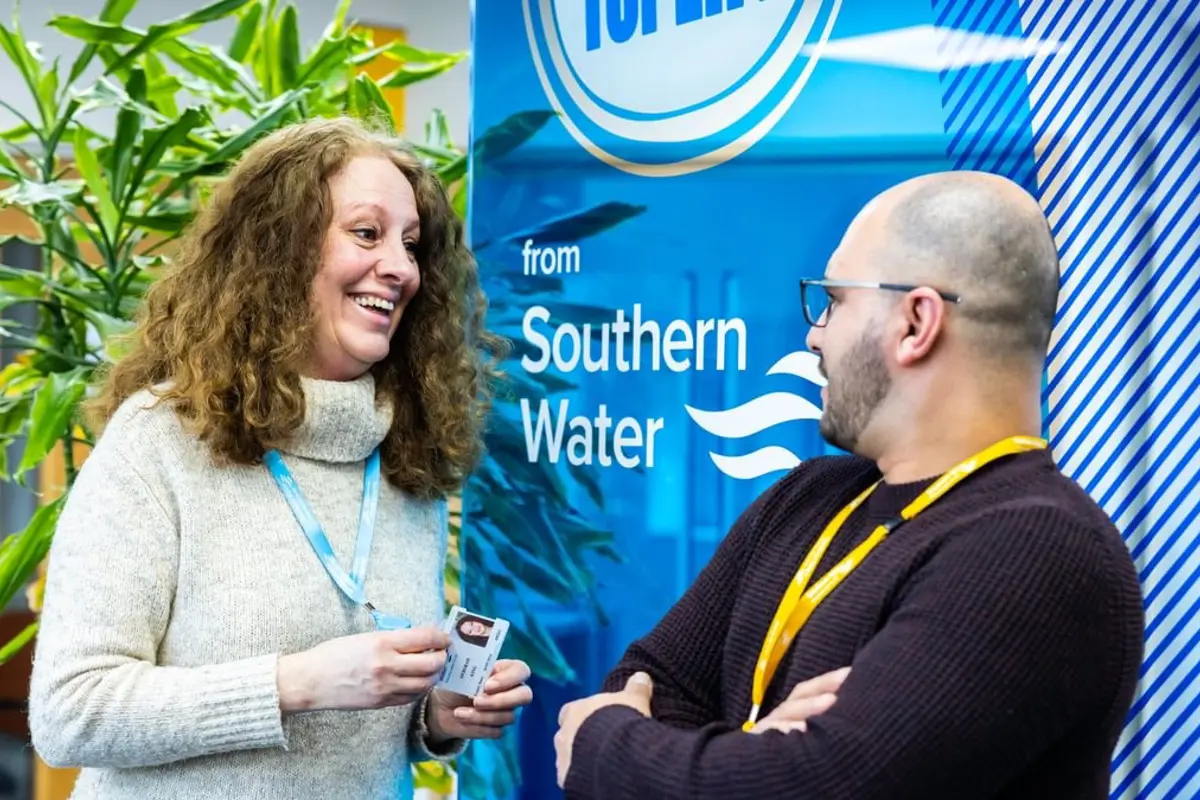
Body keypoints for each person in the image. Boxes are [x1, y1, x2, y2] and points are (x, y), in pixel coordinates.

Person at [553, 171, 1144, 799]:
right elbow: (649, 678)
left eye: (834, 301)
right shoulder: (809, 496)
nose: (814, 335)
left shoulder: (1038, 550)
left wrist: (604, 743)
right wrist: (750, 756)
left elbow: (813, 787)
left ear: (917, 322)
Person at [29, 116, 532, 798]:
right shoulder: (161, 439)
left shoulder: (405, 453)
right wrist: (295, 684)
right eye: (366, 233)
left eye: (411, 245)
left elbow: (362, 719)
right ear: (280, 250)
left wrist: (436, 719)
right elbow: (71, 712)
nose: (400, 268)